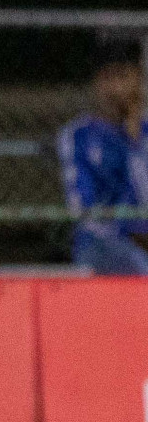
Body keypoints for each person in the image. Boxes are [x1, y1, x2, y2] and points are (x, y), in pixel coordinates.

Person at [58, 42, 148, 274]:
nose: (117, 88)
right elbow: (81, 206)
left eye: (124, 77)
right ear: (99, 84)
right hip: (104, 241)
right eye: (109, 77)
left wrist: (135, 141)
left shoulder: (144, 133)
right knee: (134, 264)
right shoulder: (79, 134)